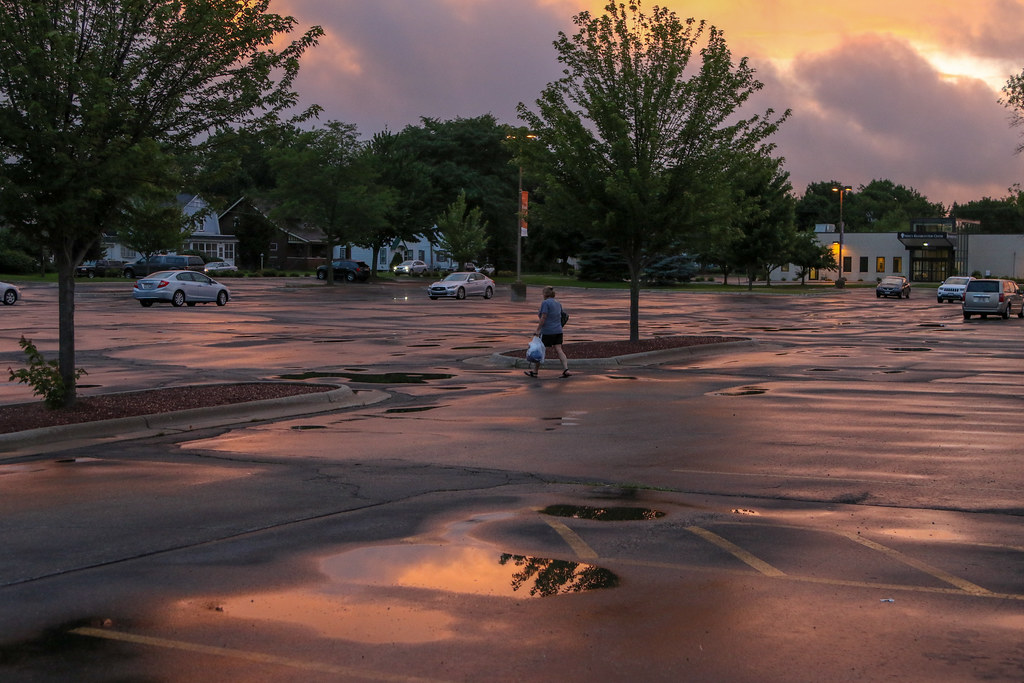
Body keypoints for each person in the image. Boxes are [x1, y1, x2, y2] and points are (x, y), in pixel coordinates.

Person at [525, 286, 570, 378]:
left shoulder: (545, 303)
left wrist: (538, 330)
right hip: (558, 330)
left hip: (547, 331)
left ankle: (535, 372)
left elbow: (544, 317)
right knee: (559, 349)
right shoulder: (558, 303)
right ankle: (566, 369)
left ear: (545, 294)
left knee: (540, 350)